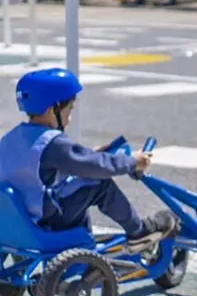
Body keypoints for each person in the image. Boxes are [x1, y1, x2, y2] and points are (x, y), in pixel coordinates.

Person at [0, 68, 178, 249]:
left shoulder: (13, 137)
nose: (69, 118)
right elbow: (93, 166)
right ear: (52, 109)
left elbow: (41, 169)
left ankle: (84, 248)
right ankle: (139, 232)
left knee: (76, 187)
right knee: (99, 184)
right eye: (69, 109)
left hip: (19, 219)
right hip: (45, 219)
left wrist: (90, 155)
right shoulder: (52, 142)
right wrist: (134, 161)